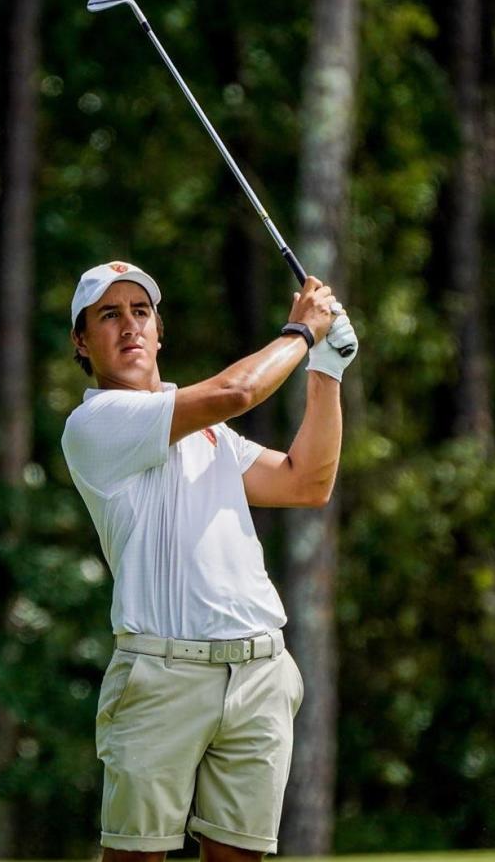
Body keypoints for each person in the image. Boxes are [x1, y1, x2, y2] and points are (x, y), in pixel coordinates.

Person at [60, 260, 358, 861]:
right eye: (108, 315)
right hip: (160, 677)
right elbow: (237, 392)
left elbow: (307, 482)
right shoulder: (96, 424)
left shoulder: (210, 435)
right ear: (81, 341)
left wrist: (327, 371)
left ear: (159, 330)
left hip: (257, 672)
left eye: (140, 312)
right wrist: (301, 333)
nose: (129, 327)